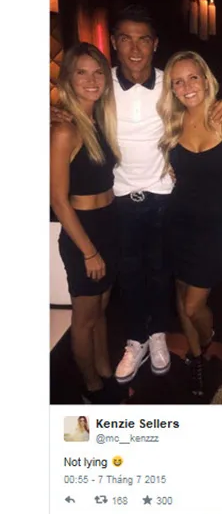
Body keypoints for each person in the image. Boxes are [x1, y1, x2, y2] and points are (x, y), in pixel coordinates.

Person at [52, 6, 222, 390]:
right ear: (114, 43)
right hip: (119, 198)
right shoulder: (102, 85)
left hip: (165, 195)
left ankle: (158, 335)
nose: (135, 49)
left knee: (161, 272)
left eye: (143, 39)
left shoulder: (171, 84)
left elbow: (203, 103)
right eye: (126, 39)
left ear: (155, 44)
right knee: (130, 275)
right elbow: (73, 111)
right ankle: (136, 339)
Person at [158, 51, 222, 395]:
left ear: (206, 79)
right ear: (172, 89)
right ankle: (195, 357)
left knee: (194, 306)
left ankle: (206, 339)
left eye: (193, 77)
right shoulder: (170, 123)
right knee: (181, 295)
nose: (187, 86)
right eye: (178, 81)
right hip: (178, 222)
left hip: (215, 230)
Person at [50, 43, 122, 404]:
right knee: (84, 317)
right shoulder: (64, 130)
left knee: (101, 309)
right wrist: (89, 252)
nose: (92, 80)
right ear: (68, 79)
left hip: (108, 223)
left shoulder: (99, 121)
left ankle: (105, 370)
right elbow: (58, 200)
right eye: (81, 72)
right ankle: (91, 387)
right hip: (83, 232)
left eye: (98, 72)